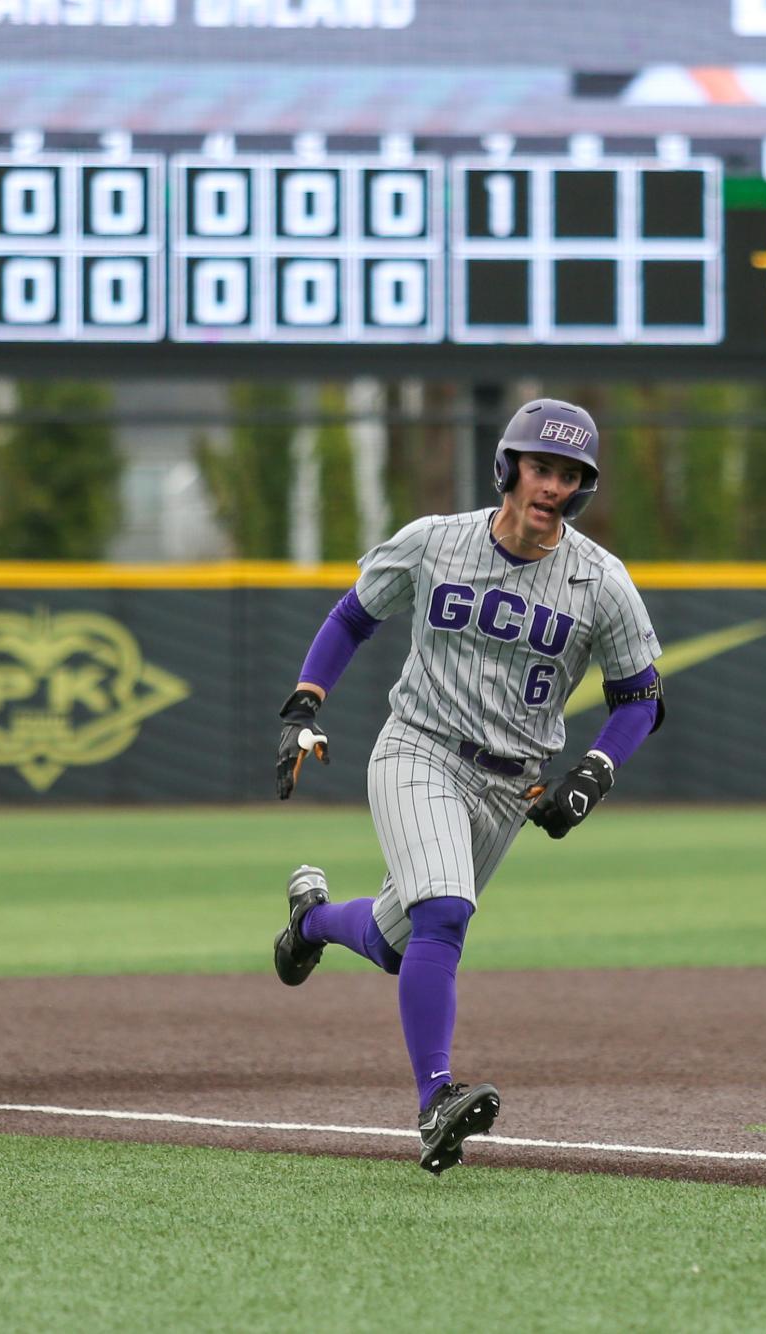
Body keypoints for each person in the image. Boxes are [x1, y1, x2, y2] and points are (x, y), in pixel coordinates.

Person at [271, 397, 664, 1176]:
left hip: (509, 787)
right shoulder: (435, 542)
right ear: (509, 467)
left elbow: (640, 697)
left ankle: (310, 923)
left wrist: (592, 772)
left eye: (571, 475)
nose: (554, 486)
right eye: (542, 468)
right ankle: (435, 1100)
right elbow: (354, 616)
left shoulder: (599, 581)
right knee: (444, 913)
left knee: (395, 943)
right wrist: (305, 703)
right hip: (419, 747)